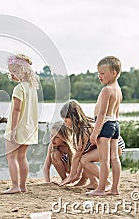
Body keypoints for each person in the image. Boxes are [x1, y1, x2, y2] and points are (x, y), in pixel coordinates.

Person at [55, 100, 125, 190]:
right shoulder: (81, 126)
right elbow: (80, 155)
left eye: (66, 120)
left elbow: (77, 156)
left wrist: (71, 176)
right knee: (84, 158)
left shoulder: (84, 130)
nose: (65, 123)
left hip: (116, 145)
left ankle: (107, 182)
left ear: (73, 118)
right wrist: (76, 175)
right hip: (109, 143)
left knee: (85, 159)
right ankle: (93, 182)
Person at [3, 54, 39, 194]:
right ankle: (23, 186)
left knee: (11, 156)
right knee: (22, 157)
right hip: (28, 128)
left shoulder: (19, 89)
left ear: (24, 71)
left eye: (15, 71)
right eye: (10, 72)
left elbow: (16, 110)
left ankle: (14, 185)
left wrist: (12, 130)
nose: (12, 75)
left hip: (17, 127)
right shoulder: (32, 88)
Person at [87, 56, 123, 196]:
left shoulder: (106, 90)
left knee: (104, 160)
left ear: (113, 73)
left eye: (102, 73)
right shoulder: (118, 90)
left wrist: (95, 133)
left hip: (105, 124)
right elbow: (117, 112)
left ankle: (101, 188)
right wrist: (116, 129)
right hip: (114, 124)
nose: (99, 76)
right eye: (98, 73)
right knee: (115, 158)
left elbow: (102, 113)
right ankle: (114, 189)